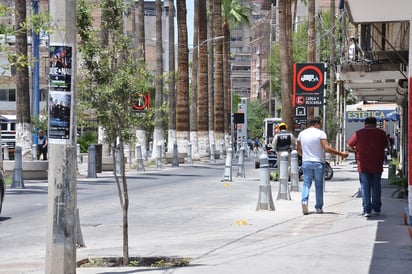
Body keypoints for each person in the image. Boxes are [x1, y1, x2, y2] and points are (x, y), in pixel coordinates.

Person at [297, 117, 349, 215]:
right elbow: (327, 148)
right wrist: (340, 154)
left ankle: (304, 201)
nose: (321, 126)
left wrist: (306, 156)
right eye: (320, 124)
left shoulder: (302, 134)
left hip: (306, 162)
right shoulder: (320, 133)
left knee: (306, 183)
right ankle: (319, 207)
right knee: (319, 185)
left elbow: (299, 150)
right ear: (316, 124)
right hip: (318, 162)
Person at [347, 117, 388, 217]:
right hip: (377, 164)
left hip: (363, 164)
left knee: (365, 187)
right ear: (375, 123)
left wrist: (356, 150)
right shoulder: (381, 133)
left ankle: (367, 210)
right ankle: (377, 208)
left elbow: (349, 145)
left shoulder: (358, 133)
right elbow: (386, 145)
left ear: (365, 123)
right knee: (376, 186)